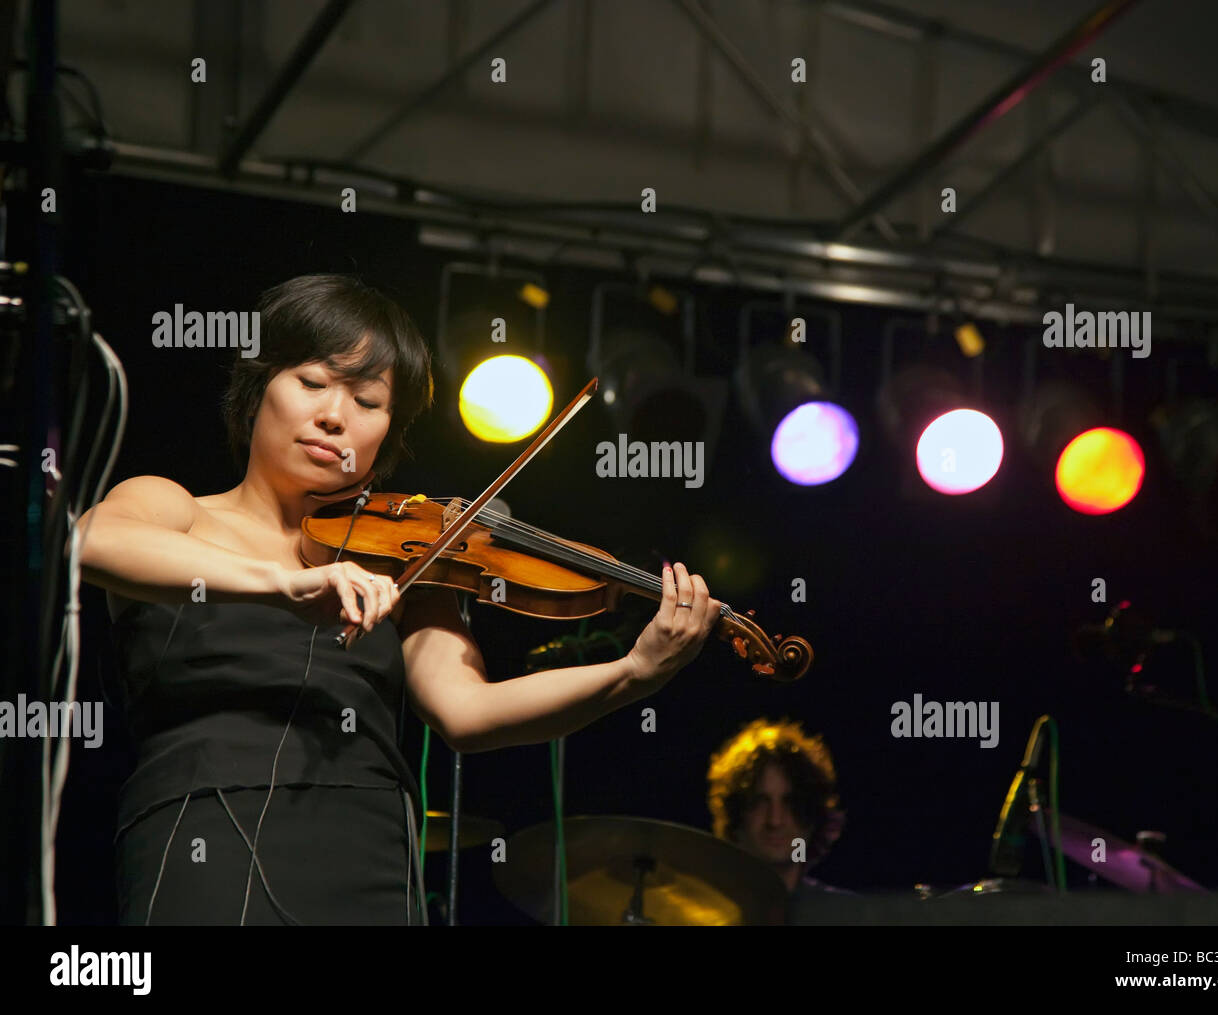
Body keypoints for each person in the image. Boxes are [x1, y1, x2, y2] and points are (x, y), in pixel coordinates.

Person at [77, 274, 722, 925]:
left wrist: (631, 673)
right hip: (199, 831)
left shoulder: (403, 562)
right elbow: (94, 540)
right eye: (311, 382)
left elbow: (469, 712)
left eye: (367, 400)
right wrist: (286, 584)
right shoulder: (174, 508)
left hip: (369, 852)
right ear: (257, 389)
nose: (335, 415)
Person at [706, 718, 869, 925]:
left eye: (790, 802)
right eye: (760, 802)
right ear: (737, 816)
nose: (775, 820)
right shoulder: (703, 914)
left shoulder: (850, 916)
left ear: (811, 816)